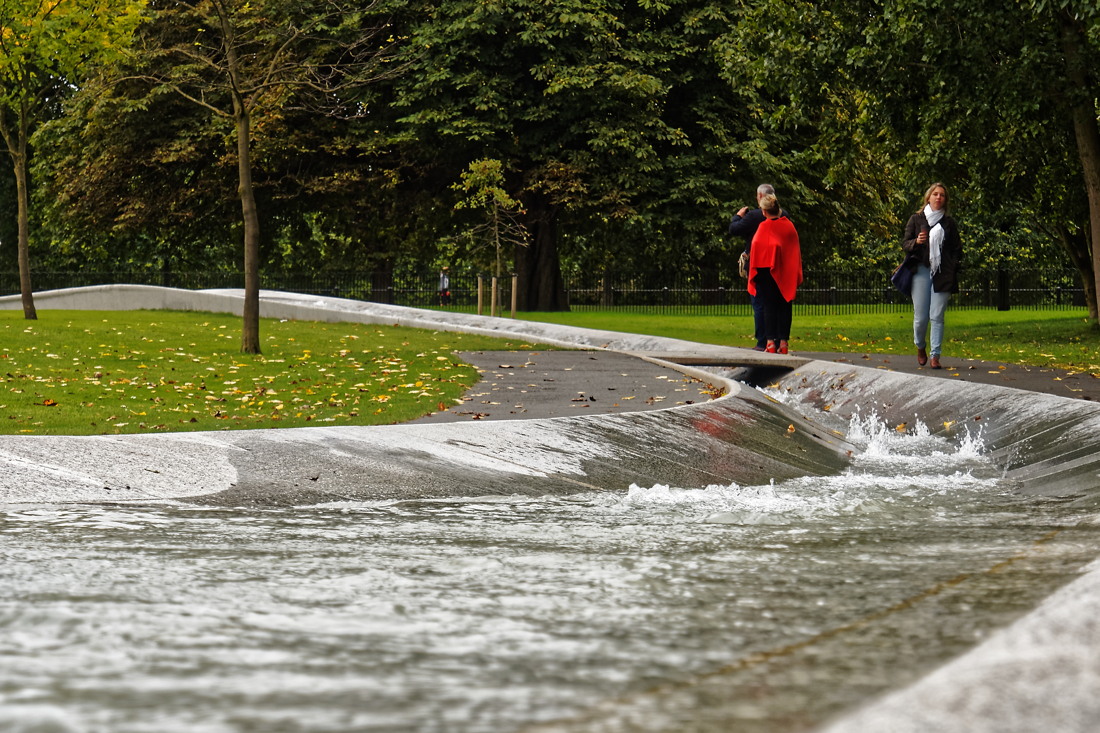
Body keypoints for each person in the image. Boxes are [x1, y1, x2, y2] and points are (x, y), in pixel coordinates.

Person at [900, 182, 963, 369]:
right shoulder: (916, 219)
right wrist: (916, 242)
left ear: (945, 200)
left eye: (942, 195)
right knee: (921, 318)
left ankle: (935, 355)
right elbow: (905, 244)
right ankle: (920, 346)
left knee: (937, 315)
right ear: (928, 197)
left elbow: (957, 249)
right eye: (935, 194)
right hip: (920, 271)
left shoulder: (948, 223)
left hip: (943, 273)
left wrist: (952, 266)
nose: (938, 197)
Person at [729, 183, 788, 350]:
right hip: (778, 265)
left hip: (760, 265)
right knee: (779, 304)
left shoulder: (755, 217)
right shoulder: (785, 216)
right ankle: (779, 340)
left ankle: (764, 341)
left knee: (761, 304)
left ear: (761, 198)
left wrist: (738, 216)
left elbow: (734, 229)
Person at [747, 193, 802, 354]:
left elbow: (756, 247)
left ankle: (770, 342)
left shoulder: (763, 227)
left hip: (765, 271)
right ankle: (783, 343)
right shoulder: (789, 226)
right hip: (785, 271)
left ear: (764, 211)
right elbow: (794, 251)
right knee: (785, 304)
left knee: (769, 305)